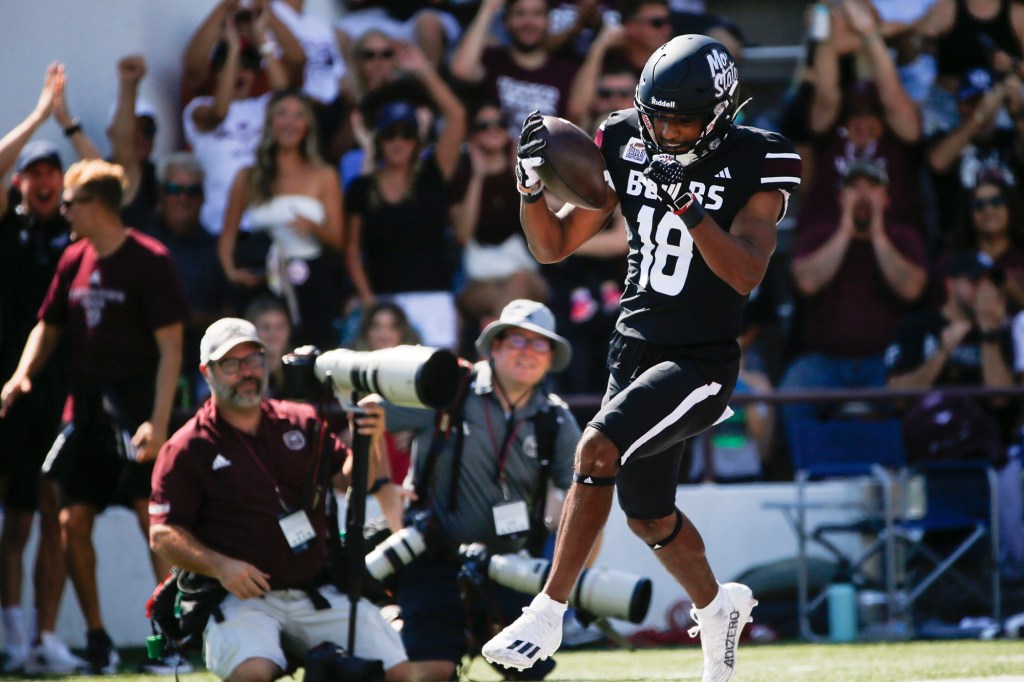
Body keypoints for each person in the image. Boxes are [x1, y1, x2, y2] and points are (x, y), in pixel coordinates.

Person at [481, 34, 802, 681]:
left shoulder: (759, 158)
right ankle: (719, 611)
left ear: (718, 113)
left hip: (702, 359)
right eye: (655, 114)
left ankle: (547, 613)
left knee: (596, 448)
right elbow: (554, 245)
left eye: (681, 119)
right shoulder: (626, 139)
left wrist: (685, 203)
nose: (664, 130)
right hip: (631, 351)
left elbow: (744, 274)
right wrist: (530, 187)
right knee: (647, 513)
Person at [149, 317, 420, 682]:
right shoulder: (186, 446)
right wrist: (221, 566)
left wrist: (365, 435)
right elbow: (162, 533)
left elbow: (352, 480)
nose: (246, 372)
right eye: (232, 364)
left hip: (315, 588)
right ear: (206, 372)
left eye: (254, 360)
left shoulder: (301, 419)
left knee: (399, 672)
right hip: (239, 598)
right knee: (253, 673)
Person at [0, 159, 188, 674]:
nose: (63, 210)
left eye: (71, 202)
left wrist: (160, 419)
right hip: (83, 412)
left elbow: (172, 346)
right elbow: (49, 325)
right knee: (70, 520)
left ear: (97, 205)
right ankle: (98, 637)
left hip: (138, 414)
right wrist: (22, 373)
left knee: (156, 524)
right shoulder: (72, 259)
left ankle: (170, 639)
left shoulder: (150, 260)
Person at [380, 300, 579, 681]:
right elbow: (368, 417)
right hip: (432, 557)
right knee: (430, 671)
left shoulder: (555, 417)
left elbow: (586, 498)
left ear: (550, 357)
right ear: (496, 346)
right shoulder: (447, 387)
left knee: (528, 671)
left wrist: (568, 583)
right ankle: (392, 624)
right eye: (517, 340)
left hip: (511, 566)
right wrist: (380, 487)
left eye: (539, 344)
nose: (527, 351)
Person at [0, 64, 91, 675]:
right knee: (17, 517)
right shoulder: (7, 228)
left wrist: (68, 123)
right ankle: (11, 636)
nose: (43, 181)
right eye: (32, 173)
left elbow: (119, 184)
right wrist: (36, 116)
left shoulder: (80, 229)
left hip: (66, 389)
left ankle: (46, 637)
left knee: (56, 515)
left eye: (52, 172)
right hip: (10, 389)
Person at [888, 251, 1024, 583]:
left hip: (991, 462)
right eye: (974, 282)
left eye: (989, 283)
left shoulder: (999, 332)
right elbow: (897, 395)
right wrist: (944, 350)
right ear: (951, 284)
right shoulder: (918, 326)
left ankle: (1010, 583)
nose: (982, 291)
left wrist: (990, 332)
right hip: (930, 462)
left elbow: (999, 398)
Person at [780, 159, 927, 449]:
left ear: (885, 198)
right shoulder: (819, 234)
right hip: (825, 362)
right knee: (789, 393)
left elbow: (912, 290)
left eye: (871, 187)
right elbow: (807, 283)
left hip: (886, 363)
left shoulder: (903, 237)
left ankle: (904, 473)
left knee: (919, 396)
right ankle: (810, 475)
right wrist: (846, 229)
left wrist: (877, 235)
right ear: (840, 197)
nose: (862, 194)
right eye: (854, 187)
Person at [344, 42, 466, 350]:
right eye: (389, 134)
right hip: (384, 305)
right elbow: (352, 252)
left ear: (417, 140)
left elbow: (457, 116)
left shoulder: (433, 174)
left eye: (407, 134)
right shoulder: (362, 187)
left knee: (438, 388)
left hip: (434, 299)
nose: (398, 142)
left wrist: (424, 71)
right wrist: (371, 303)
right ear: (379, 140)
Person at [219, 89, 346, 350]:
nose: (290, 122)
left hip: (310, 279)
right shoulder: (249, 175)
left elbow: (337, 239)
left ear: (307, 125)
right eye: (282, 114)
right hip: (264, 281)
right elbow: (228, 233)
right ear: (270, 123)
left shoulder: (324, 174)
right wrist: (232, 272)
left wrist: (313, 227)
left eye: (298, 115)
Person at [451, 102, 549, 331]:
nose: (493, 130)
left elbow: (550, 212)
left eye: (500, 124)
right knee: (510, 298)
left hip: (528, 275)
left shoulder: (527, 172)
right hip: (478, 281)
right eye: (484, 126)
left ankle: (497, 345)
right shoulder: (463, 178)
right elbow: (462, 236)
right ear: (472, 134)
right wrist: (478, 176)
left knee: (518, 281)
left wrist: (520, 166)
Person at [144, 152, 229, 407]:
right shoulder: (142, 244)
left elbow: (230, 312)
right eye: (174, 189)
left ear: (203, 197)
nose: (183, 198)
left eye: (192, 190)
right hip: (148, 369)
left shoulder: (216, 249)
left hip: (203, 369)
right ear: (161, 194)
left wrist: (188, 319)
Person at [449, 0, 580, 139]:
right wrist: (488, 8)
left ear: (549, 21)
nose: (528, 22)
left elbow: (576, 119)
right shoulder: (493, 59)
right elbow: (461, 71)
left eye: (537, 14)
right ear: (506, 21)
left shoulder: (566, 71)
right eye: (520, 14)